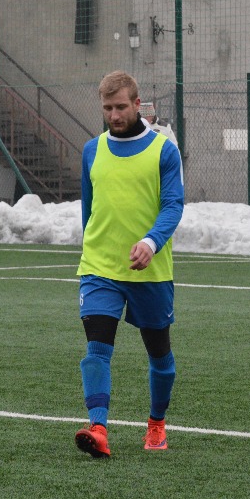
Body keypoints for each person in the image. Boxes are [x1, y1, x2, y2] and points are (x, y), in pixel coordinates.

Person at [74, 71, 185, 458]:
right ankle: (98, 428)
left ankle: (156, 423)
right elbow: (89, 210)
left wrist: (151, 243)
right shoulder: (92, 150)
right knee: (96, 349)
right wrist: (92, 248)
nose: (114, 115)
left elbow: (173, 206)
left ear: (138, 104)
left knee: (160, 355)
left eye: (121, 107)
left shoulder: (164, 151)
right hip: (100, 267)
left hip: (150, 271)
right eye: (107, 108)